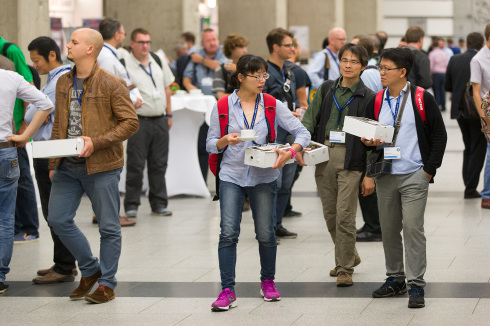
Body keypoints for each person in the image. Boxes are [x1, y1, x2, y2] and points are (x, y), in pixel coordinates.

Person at [206, 54, 310, 311]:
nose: (262, 80)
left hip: (264, 176)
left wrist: (292, 150)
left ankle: (268, 282)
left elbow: (302, 131)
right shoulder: (223, 105)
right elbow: (210, 143)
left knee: (266, 233)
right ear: (240, 77)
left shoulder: (272, 104)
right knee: (228, 232)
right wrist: (224, 141)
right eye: (257, 75)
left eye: (264, 74)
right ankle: (227, 290)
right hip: (231, 175)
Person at [47, 28, 139, 304]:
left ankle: (107, 283)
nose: (69, 44)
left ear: (89, 49)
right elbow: (59, 124)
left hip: (102, 165)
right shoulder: (64, 82)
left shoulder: (111, 83)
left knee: (109, 227)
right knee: (58, 219)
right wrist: (54, 162)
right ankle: (90, 269)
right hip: (67, 165)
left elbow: (131, 122)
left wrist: (96, 142)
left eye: (74, 42)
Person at [363, 47, 447, 309]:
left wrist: (428, 170)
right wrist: (368, 144)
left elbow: (439, 136)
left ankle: (416, 285)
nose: (381, 73)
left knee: (412, 227)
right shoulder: (377, 100)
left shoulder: (422, 98)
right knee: (388, 229)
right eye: (380, 68)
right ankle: (395, 278)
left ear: (402, 72)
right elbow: (368, 136)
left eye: (386, 68)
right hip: (386, 175)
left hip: (414, 173)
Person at [302, 44, 375, 286]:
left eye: (354, 61)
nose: (348, 65)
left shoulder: (368, 97)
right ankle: (350, 255)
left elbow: (372, 141)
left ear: (363, 66)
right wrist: (299, 146)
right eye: (344, 60)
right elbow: (309, 120)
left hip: (352, 158)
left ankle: (344, 268)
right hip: (324, 155)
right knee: (330, 213)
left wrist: (369, 173)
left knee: (345, 214)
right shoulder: (325, 89)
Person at [24, 36, 78, 284]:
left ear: (51, 56)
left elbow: (34, 113)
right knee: (51, 210)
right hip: (45, 148)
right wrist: (38, 113)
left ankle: (66, 266)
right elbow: (32, 114)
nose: (35, 65)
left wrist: (39, 113)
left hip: (52, 150)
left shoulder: (61, 79)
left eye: (37, 60)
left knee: (55, 211)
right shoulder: (53, 80)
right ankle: (62, 262)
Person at [0, 69, 53, 294]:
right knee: (5, 217)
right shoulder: (10, 77)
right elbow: (45, 104)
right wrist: (25, 135)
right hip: (5, 151)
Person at [124, 28, 174, 218]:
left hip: (160, 120)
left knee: (159, 164)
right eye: (141, 42)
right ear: (132, 44)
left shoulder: (158, 60)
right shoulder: (125, 64)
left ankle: (159, 203)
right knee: (136, 165)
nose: (145, 46)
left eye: (148, 42)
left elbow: (167, 89)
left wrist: (169, 115)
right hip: (138, 121)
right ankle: (132, 205)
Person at [97, 17, 141, 227]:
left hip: (114, 117)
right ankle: (110, 214)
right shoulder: (106, 57)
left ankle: (105, 212)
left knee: (110, 169)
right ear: (117, 34)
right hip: (112, 120)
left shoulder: (109, 55)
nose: (123, 35)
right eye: (123, 32)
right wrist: (132, 100)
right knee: (111, 169)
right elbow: (110, 88)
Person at [0, 36, 40, 244]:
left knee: (22, 178)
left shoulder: (10, 50)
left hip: (14, 132)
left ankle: (29, 227)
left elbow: (30, 90)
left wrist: (25, 128)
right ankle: (15, 227)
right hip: (7, 132)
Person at [263, 28, 301, 239]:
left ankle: (277, 224)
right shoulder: (264, 72)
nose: (292, 49)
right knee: (274, 183)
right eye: (288, 45)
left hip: (289, 133)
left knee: (286, 183)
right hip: (273, 135)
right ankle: (267, 228)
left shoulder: (289, 71)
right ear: (276, 47)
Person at [350, 35, 383, 242]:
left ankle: (374, 226)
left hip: (368, 131)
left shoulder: (368, 74)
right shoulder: (375, 71)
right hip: (371, 129)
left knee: (368, 179)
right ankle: (372, 223)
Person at [445, 32, 485, 199]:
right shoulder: (482, 60)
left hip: (460, 110)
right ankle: (470, 187)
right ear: (482, 45)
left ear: (466, 44)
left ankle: (468, 183)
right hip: (477, 110)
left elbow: (448, 85)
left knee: (468, 146)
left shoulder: (454, 59)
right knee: (478, 147)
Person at [183, 28, 226, 181]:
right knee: (202, 145)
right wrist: (190, 87)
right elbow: (186, 78)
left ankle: (224, 181)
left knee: (223, 146)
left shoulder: (223, 54)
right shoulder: (196, 55)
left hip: (220, 107)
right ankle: (201, 179)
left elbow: (219, 67)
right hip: (201, 107)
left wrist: (201, 60)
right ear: (202, 43)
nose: (212, 43)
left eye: (214, 39)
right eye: (208, 40)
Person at [470, 23, 490, 209]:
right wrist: (484, 118)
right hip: (489, 111)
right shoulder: (478, 59)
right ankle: (487, 195)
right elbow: (476, 92)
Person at [212, 33, 249, 99]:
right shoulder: (221, 70)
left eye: (246, 47)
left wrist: (238, 71)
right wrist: (244, 95)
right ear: (231, 49)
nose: (245, 50)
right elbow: (221, 96)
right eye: (241, 47)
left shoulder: (250, 68)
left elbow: (255, 91)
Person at [428, 37, 448, 111]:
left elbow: (431, 66)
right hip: (444, 74)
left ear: (433, 46)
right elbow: (446, 63)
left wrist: (430, 74)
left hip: (436, 74)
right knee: (443, 90)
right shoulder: (443, 53)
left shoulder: (432, 53)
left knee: (436, 90)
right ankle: (444, 106)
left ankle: (438, 105)